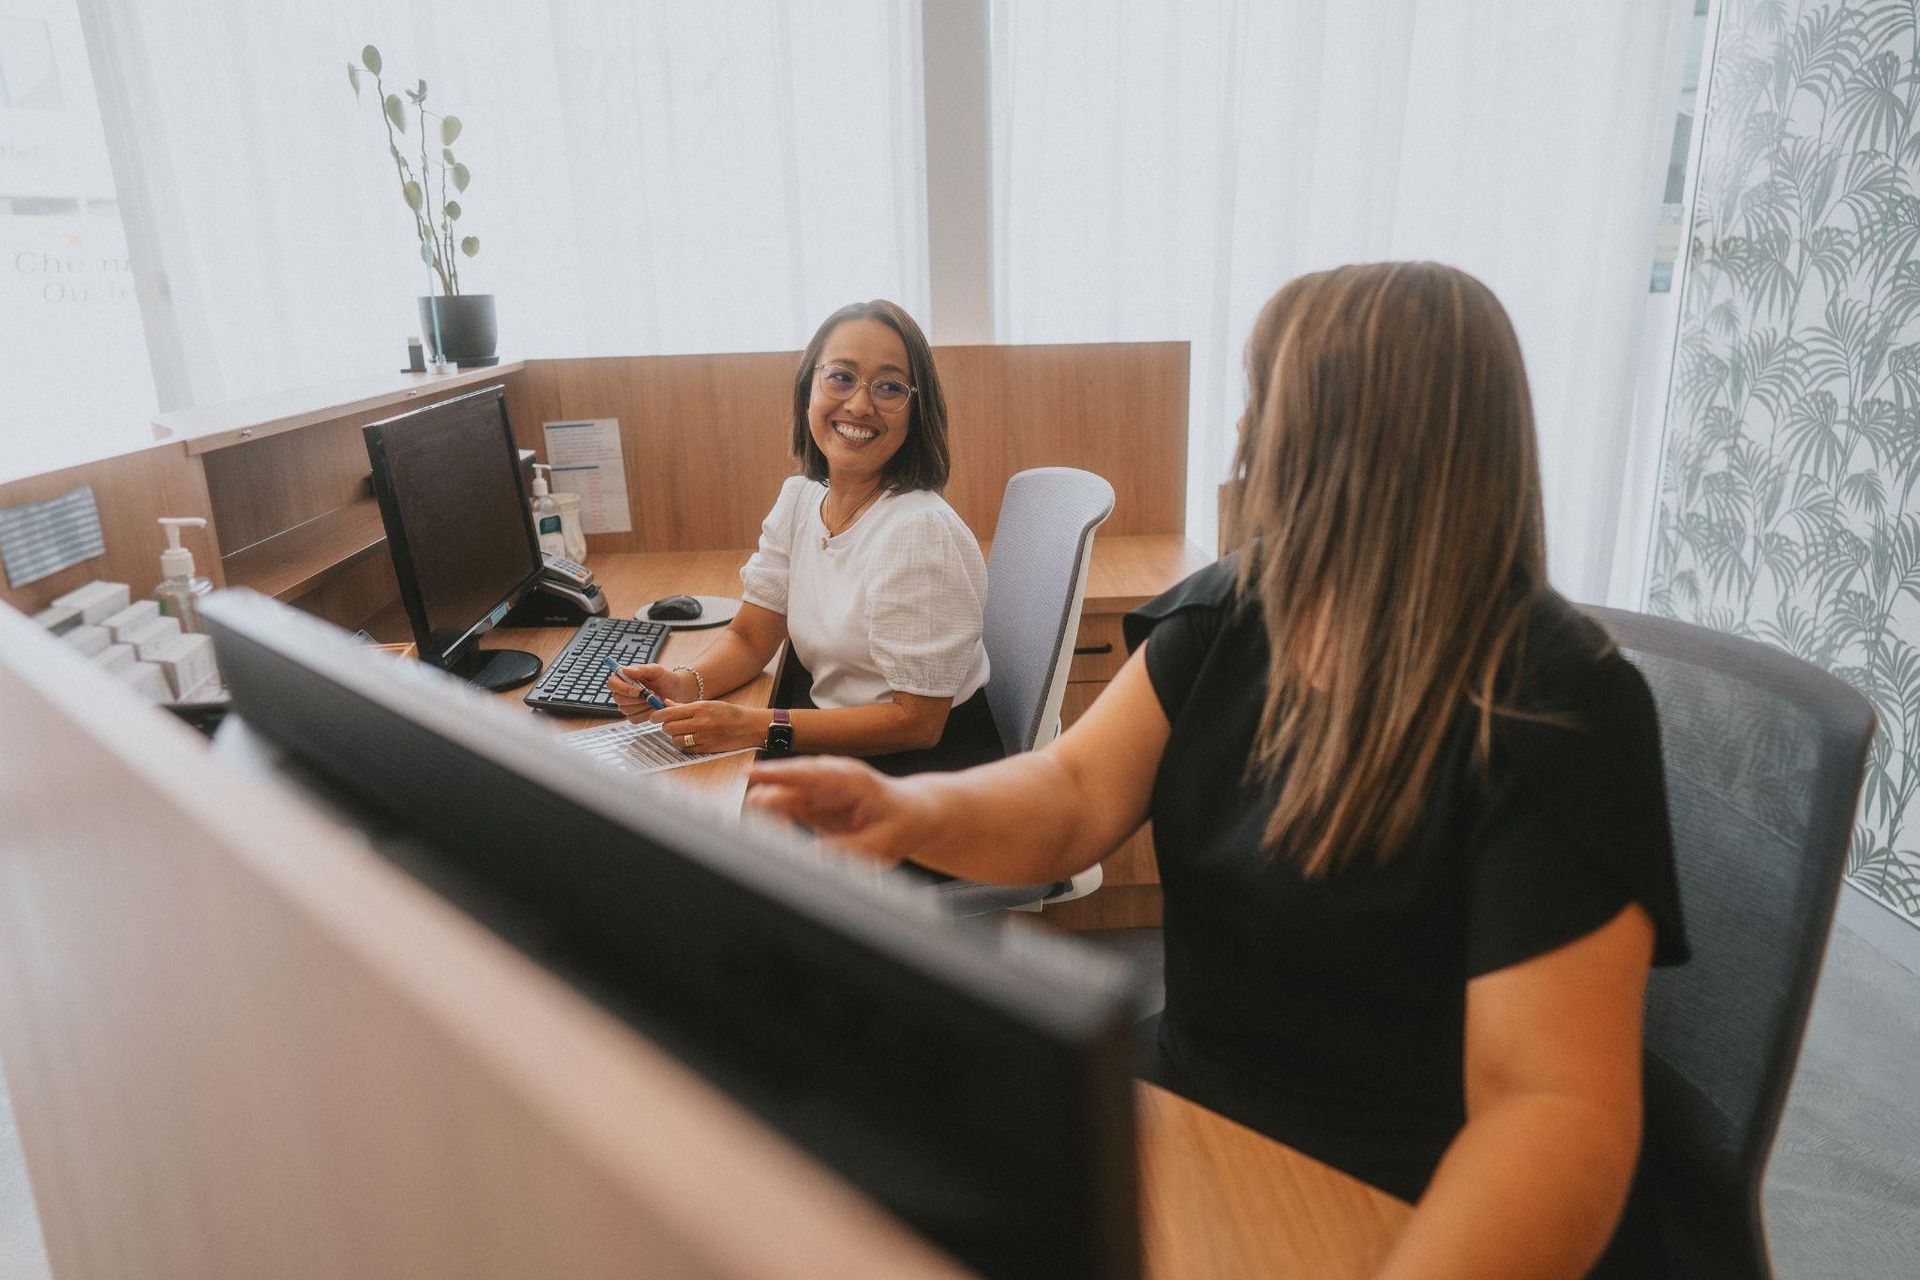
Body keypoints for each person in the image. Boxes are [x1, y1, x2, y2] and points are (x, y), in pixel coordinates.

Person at [747, 263, 1691, 1278]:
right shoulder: (1236, 607)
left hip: (1402, 1183)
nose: (1244, 436)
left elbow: (1548, 1111)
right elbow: (1070, 794)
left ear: (1355, 435)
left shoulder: (1558, 702)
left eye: (1264, 403)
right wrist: (903, 807)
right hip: (1205, 1099)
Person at [608, 299, 1000, 775]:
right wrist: (684, 682)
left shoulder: (918, 532)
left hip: (922, 778)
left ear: (916, 412)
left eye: (889, 387)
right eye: (840, 377)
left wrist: (755, 725)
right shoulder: (800, 499)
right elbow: (753, 638)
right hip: (844, 750)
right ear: (807, 389)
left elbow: (917, 724)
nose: (859, 404)